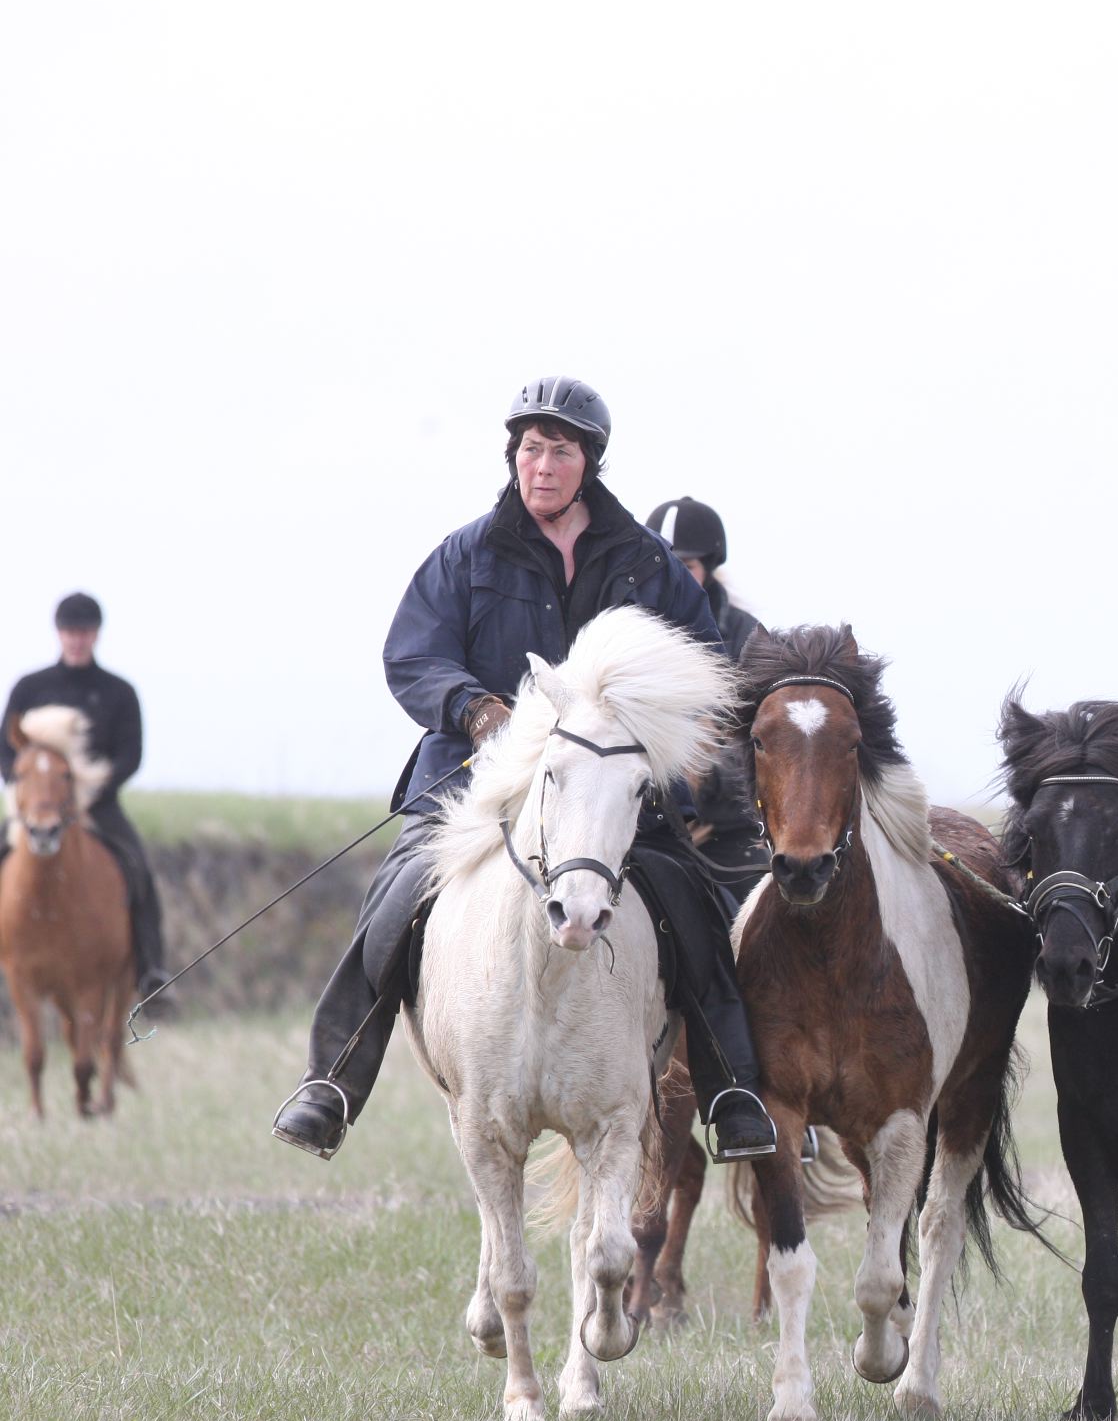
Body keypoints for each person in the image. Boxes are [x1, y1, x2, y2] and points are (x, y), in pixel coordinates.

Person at [269, 379, 778, 1162]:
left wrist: (645, 736)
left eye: (560, 451)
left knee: (695, 906)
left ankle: (731, 1092)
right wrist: (474, 709)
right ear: (514, 457)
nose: (542, 466)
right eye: (531, 449)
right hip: (476, 783)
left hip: (611, 791)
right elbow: (412, 654)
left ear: (589, 463)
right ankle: (331, 1082)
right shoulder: (466, 553)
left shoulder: (646, 564)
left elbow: (703, 664)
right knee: (397, 896)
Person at [1, 593, 168, 998]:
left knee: (138, 868)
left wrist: (94, 790)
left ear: (96, 635)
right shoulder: (30, 688)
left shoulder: (118, 692)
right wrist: (24, 789)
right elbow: (7, 749)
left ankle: (151, 970)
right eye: (70, 631)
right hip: (37, 808)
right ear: (59, 634)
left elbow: (131, 755)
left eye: (84, 632)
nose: (77, 639)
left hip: (96, 807)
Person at [645, 497, 768, 882]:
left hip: (725, 829)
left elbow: (764, 740)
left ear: (709, 568)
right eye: (661, 563)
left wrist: (705, 778)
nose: (672, 575)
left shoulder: (747, 638)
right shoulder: (626, 632)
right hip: (644, 822)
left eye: (686, 566)